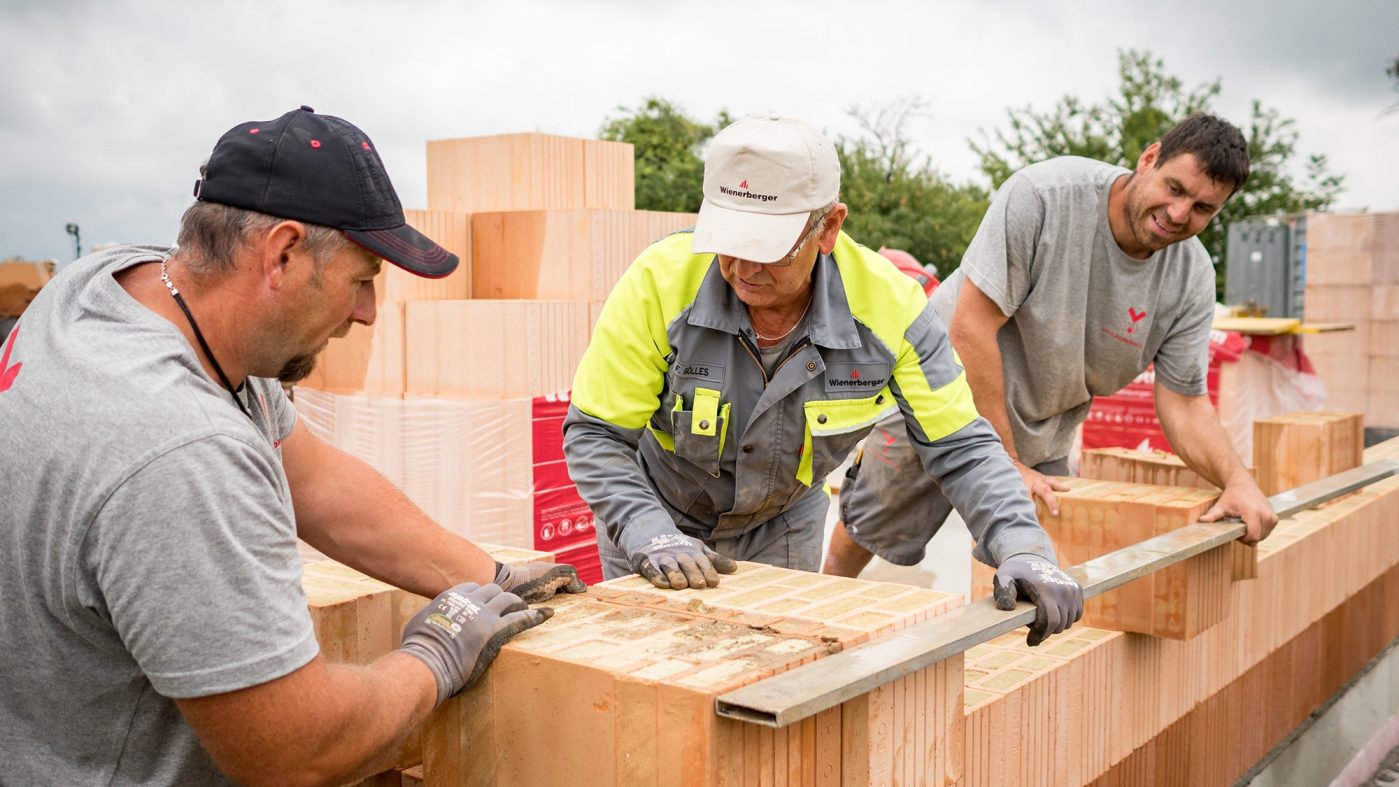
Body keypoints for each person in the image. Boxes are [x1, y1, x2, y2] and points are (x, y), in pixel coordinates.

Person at [0, 106, 585, 785]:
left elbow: (317, 481)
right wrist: (435, 654)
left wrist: (486, 574)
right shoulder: (178, 448)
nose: (367, 311)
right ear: (280, 253)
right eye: (362, 279)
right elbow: (294, 752)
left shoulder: (111, 287)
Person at [562, 114, 1081, 644]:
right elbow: (596, 433)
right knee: (650, 669)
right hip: (655, 504)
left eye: (768, 247)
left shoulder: (889, 308)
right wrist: (647, 532)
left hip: (783, 524)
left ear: (828, 227)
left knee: (770, 671)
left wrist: (1022, 546)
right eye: (727, 240)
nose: (742, 266)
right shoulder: (660, 282)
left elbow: (963, 446)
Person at [825, 113, 1280, 582]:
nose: (1180, 214)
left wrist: (1238, 481)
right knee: (868, 529)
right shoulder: (1043, 198)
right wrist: (1006, 464)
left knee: (1032, 565)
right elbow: (971, 329)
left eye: (1204, 209)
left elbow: (1184, 402)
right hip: (937, 395)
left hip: (1041, 427)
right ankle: (821, 621)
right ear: (1149, 159)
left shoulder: (1190, 278)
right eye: (1175, 188)